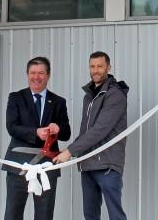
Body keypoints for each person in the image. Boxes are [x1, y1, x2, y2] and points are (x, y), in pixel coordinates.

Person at [53, 51, 129, 220]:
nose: (96, 70)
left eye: (100, 66)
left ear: (108, 67)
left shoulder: (115, 95)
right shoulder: (89, 96)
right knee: (90, 215)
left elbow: (100, 129)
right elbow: (85, 132)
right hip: (87, 164)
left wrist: (70, 151)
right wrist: (67, 150)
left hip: (107, 165)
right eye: (92, 66)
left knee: (115, 215)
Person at [3, 56, 71, 220]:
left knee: (44, 214)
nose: (36, 77)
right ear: (27, 74)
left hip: (47, 165)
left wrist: (58, 128)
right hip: (18, 163)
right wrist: (35, 132)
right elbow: (11, 127)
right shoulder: (16, 98)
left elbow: (66, 133)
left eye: (41, 73)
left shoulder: (58, 102)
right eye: (32, 73)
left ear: (48, 75)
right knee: (13, 213)